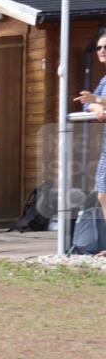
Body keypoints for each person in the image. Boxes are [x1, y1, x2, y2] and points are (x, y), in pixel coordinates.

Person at [73, 32, 106, 256]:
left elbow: (95, 100)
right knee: (103, 194)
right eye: (99, 47)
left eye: (105, 46)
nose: (101, 51)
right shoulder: (104, 79)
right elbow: (88, 105)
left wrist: (98, 103)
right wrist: (97, 106)